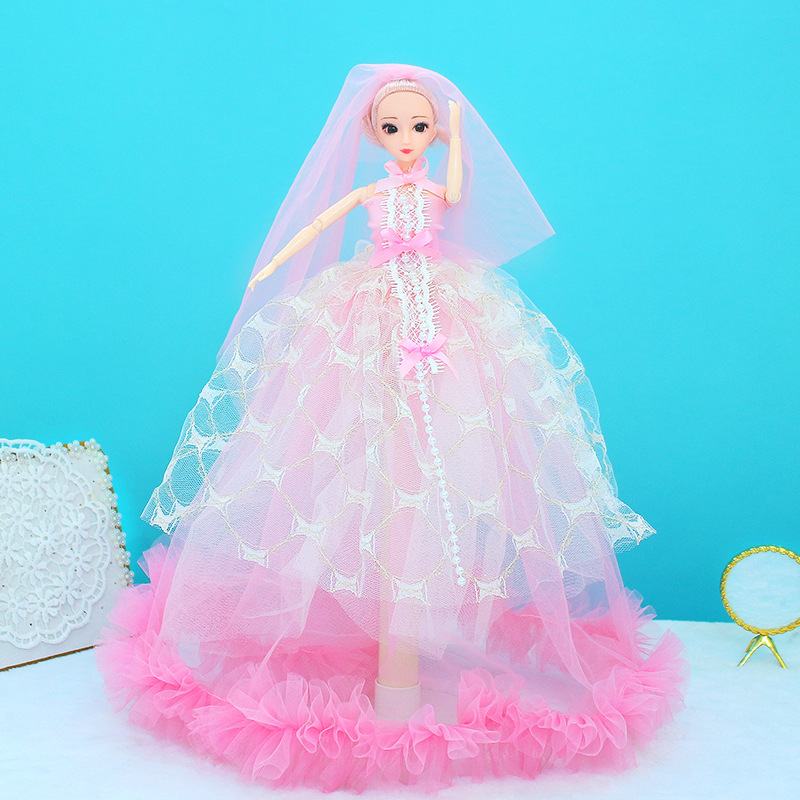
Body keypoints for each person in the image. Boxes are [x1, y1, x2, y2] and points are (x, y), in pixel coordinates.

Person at [98, 63, 685, 792]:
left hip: (444, 311)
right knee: (349, 447)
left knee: (452, 444)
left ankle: (412, 647)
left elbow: (458, 189)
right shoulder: (371, 193)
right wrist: (272, 266)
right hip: (369, 309)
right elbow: (318, 224)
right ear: (372, 133)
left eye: (419, 126)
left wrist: (459, 137)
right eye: (392, 126)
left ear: (432, 131)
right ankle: (383, 653)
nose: (407, 137)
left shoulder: (437, 185)